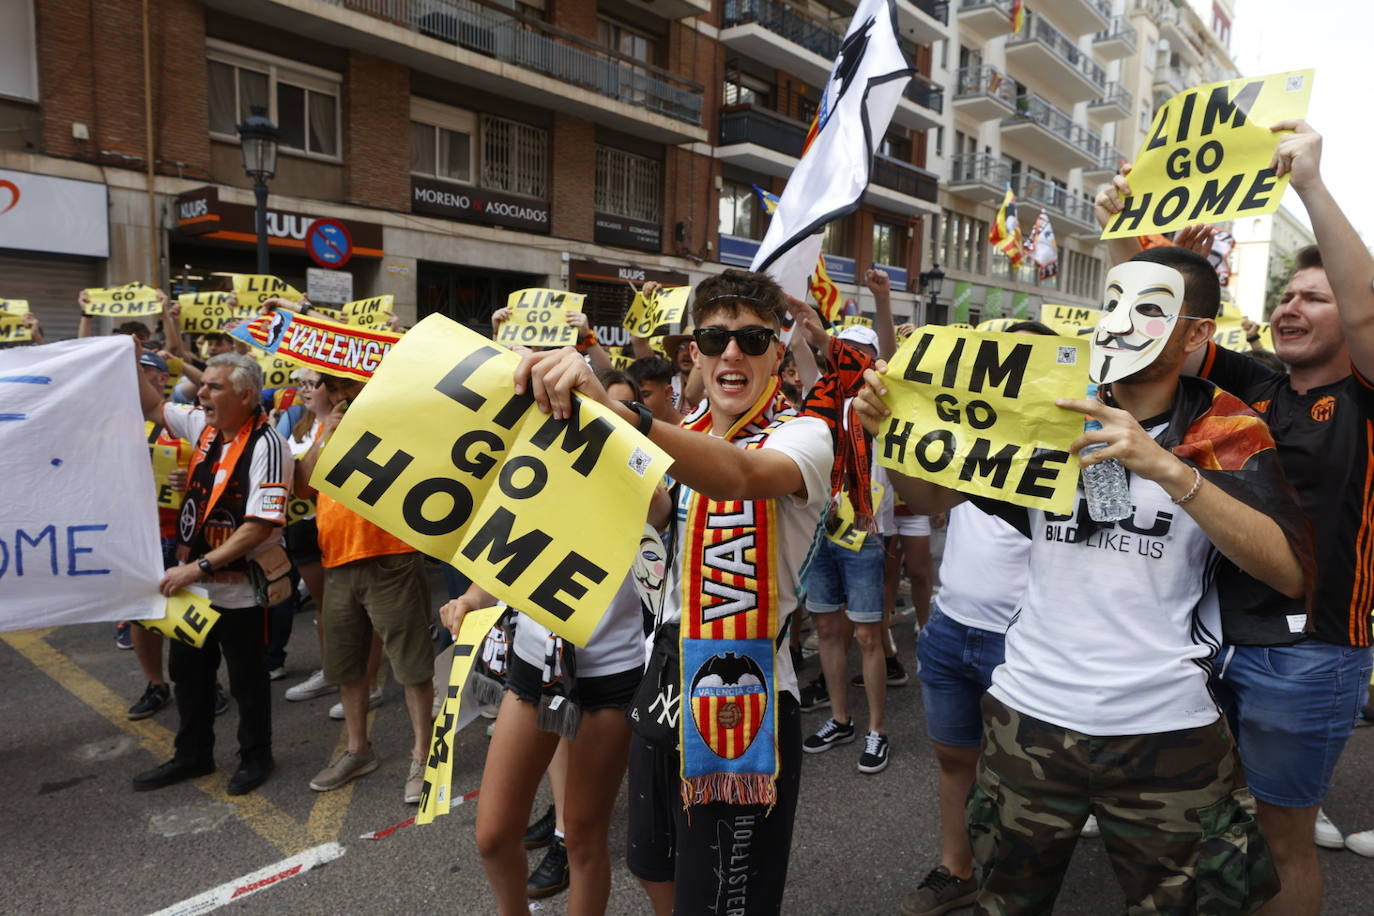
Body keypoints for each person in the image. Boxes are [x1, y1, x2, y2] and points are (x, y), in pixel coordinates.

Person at [856, 249, 1310, 913]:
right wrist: (891, 434)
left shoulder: (1228, 428)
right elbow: (928, 500)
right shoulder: (1051, 409)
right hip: (1025, 719)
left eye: (1150, 308)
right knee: (1006, 899)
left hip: (1167, 729)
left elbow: (1287, 569)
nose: (1122, 321)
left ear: (1196, 334)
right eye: (1115, 302)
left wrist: (1170, 470)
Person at [1098, 122, 1374, 912]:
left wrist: (1310, 185)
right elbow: (1160, 342)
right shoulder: (1253, 383)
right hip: (1215, 641)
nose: (1291, 306)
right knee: (1220, 832)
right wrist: (1127, 239)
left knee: (1286, 846)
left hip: (1311, 655)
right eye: (1285, 294)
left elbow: (1368, 316)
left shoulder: (1363, 397)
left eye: (1313, 297)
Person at [512, 268, 833, 915]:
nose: (731, 354)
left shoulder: (803, 436)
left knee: (722, 900)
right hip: (664, 682)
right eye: (714, 340)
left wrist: (613, 404)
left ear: (779, 349)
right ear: (696, 353)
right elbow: (655, 511)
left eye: (751, 338)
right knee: (654, 866)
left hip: (744, 704)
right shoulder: (693, 434)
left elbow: (740, 477)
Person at [439, 368, 669, 913]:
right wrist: (473, 597)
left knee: (585, 839)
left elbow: (658, 506)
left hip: (610, 677)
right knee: (493, 836)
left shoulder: (644, 471)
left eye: (614, 407)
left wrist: (608, 424)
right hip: (534, 667)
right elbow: (506, 541)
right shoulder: (538, 467)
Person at [897, 319, 1053, 916]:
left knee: (1031, 779)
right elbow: (921, 493)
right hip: (949, 628)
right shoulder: (965, 432)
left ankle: (1016, 887)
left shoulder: (1066, 445)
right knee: (955, 758)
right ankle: (957, 867)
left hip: (1024, 639)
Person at [132, 350, 293, 795]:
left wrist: (196, 567)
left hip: (238, 589)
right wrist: (125, 356)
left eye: (213, 386)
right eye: (203, 385)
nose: (201, 392)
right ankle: (193, 756)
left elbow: (260, 525)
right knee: (189, 676)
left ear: (245, 395)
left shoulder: (268, 444)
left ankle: (256, 757)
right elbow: (151, 405)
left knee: (247, 681)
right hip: (196, 590)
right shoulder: (206, 427)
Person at [298, 371, 435, 804]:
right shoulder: (327, 424)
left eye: (345, 389)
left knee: (410, 664)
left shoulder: (394, 417)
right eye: (332, 389)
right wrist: (326, 436)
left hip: (390, 556)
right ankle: (358, 750)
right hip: (338, 560)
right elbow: (305, 485)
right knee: (347, 665)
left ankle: (422, 757)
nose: (339, 396)